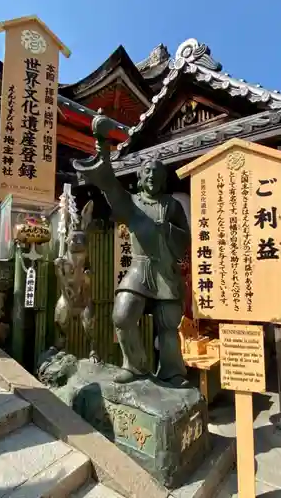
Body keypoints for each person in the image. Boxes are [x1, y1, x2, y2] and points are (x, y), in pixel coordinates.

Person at [73, 124, 190, 387]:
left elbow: (185, 238)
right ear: (140, 176)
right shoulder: (132, 202)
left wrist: (166, 230)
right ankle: (135, 365)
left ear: (163, 179)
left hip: (165, 273)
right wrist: (102, 144)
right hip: (138, 270)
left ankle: (172, 372)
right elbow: (111, 187)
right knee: (123, 316)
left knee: (168, 326)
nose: (151, 176)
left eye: (157, 173)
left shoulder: (172, 205)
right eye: (147, 171)